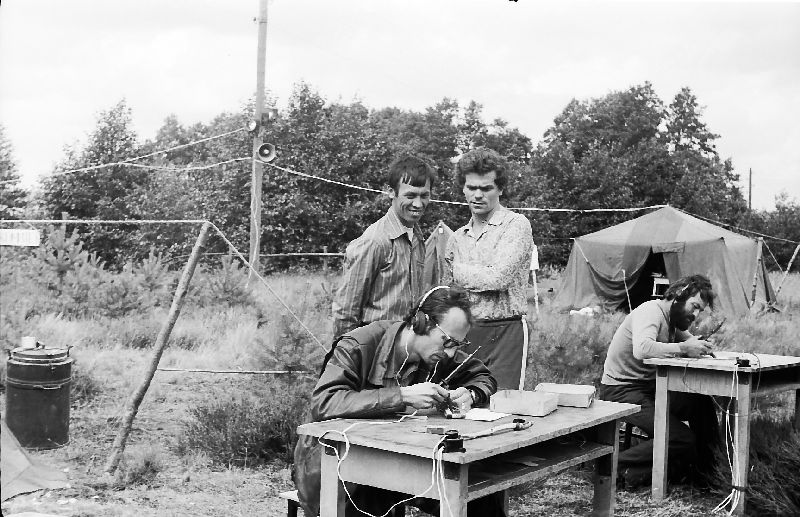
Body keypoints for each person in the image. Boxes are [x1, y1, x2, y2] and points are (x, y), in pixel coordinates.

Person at [293, 286, 503, 517]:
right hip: (338, 466)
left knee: (478, 498)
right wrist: (401, 396)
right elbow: (324, 402)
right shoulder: (358, 345)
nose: (451, 354)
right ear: (421, 322)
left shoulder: (436, 354)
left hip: (400, 459)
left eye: (458, 345)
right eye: (448, 341)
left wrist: (471, 394)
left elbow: (484, 377)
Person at [598, 274, 721, 489]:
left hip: (649, 388)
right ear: (678, 296)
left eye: (700, 310)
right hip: (621, 390)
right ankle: (610, 467)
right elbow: (642, 349)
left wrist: (699, 345)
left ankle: (709, 473)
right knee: (679, 438)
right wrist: (683, 348)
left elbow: (689, 340)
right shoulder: (651, 311)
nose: (695, 315)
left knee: (700, 403)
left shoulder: (673, 319)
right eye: (694, 306)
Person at [442, 147, 533, 390]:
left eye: (486, 188)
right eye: (472, 187)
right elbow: (447, 291)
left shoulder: (515, 225)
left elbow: (498, 278)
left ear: (500, 189)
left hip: (505, 330)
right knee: (461, 402)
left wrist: (457, 271)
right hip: (465, 332)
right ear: (463, 188)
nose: (478, 195)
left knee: (502, 403)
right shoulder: (457, 238)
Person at [332, 153, 436, 338]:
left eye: (424, 196)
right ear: (391, 192)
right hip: (375, 344)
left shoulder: (417, 237)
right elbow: (346, 310)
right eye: (410, 195)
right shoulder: (375, 241)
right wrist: (347, 352)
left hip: (405, 343)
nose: (418, 204)